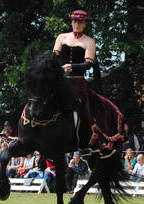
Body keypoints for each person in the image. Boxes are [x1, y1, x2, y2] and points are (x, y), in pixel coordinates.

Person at [53, 10, 124, 156]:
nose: (77, 24)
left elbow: (88, 65)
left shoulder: (89, 41)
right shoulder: (61, 37)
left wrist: (72, 67)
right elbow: (54, 58)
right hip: (60, 80)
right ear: (71, 22)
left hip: (77, 82)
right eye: (74, 21)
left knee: (84, 109)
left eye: (80, 22)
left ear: (85, 24)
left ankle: (85, 142)